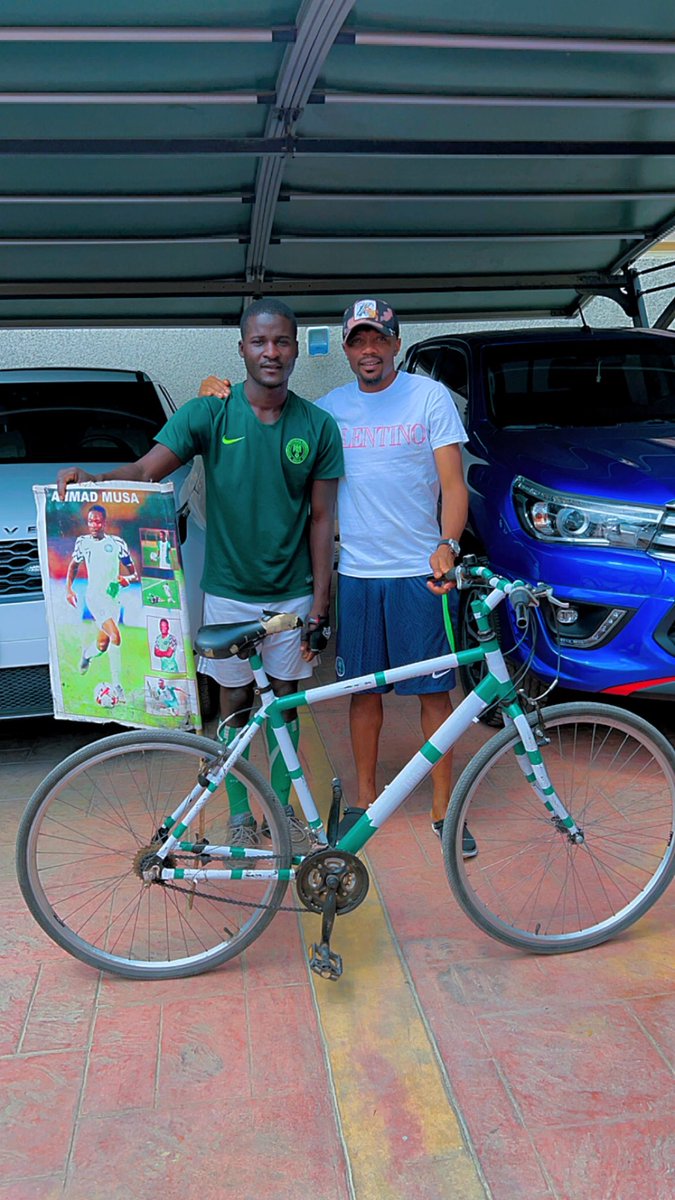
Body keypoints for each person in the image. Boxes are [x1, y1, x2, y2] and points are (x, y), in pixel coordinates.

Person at [57, 300, 344, 852]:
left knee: (284, 705)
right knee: (234, 707)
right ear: (242, 349)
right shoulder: (209, 413)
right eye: (259, 342)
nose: (271, 352)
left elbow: (323, 518)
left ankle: (282, 810)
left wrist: (321, 605)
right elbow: (145, 471)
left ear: (296, 349)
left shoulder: (318, 425)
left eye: (282, 342)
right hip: (229, 596)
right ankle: (240, 812)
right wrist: (95, 477)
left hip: (292, 594)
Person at [316, 299, 475, 855]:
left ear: (396, 344)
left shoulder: (428, 398)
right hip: (357, 574)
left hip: (418, 573)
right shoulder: (328, 409)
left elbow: (454, 486)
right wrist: (228, 394)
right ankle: (363, 802)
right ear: (346, 349)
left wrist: (447, 545)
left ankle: (443, 808)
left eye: (378, 340)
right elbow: (272, 419)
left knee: (435, 693)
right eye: (358, 341)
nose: (368, 351)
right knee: (363, 694)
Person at [66, 503, 138, 704]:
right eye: (90, 521)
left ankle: (87, 655)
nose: (94, 525)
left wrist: (127, 579)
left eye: (97, 521)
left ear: (104, 522)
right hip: (95, 598)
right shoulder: (83, 542)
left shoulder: (117, 543)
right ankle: (118, 687)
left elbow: (133, 573)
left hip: (113, 598)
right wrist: (68, 589)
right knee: (116, 636)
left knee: (103, 645)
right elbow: (74, 565)